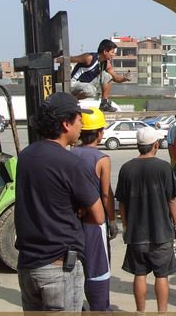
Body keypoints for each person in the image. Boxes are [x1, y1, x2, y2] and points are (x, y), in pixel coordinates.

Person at [15, 92, 105, 312]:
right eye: (79, 119)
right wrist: (81, 210)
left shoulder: (25, 156)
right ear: (66, 124)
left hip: (28, 266)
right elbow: (98, 216)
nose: (82, 125)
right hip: (58, 268)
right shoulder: (71, 163)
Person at [115, 126, 176, 316]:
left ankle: (140, 312)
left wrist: (126, 226)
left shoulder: (126, 168)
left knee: (139, 274)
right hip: (161, 233)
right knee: (162, 275)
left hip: (136, 234)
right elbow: (172, 200)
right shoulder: (164, 167)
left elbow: (122, 202)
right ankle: (162, 312)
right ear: (155, 145)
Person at [72, 108, 118, 311]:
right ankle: (100, 308)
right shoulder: (102, 159)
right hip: (94, 222)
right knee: (98, 269)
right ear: (99, 133)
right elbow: (106, 194)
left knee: (78, 266)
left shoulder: (71, 154)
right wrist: (112, 220)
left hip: (75, 221)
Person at [63, 38, 130, 112]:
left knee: (107, 76)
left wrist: (124, 78)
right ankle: (71, 102)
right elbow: (68, 59)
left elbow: (115, 78)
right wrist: (55, 60)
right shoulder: (89, 58)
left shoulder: (107, 64)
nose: (113, 55)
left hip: (86, 85)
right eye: (112, 52)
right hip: (73, 84)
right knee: (91, 90)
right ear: (105, 51)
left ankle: (104, 104)